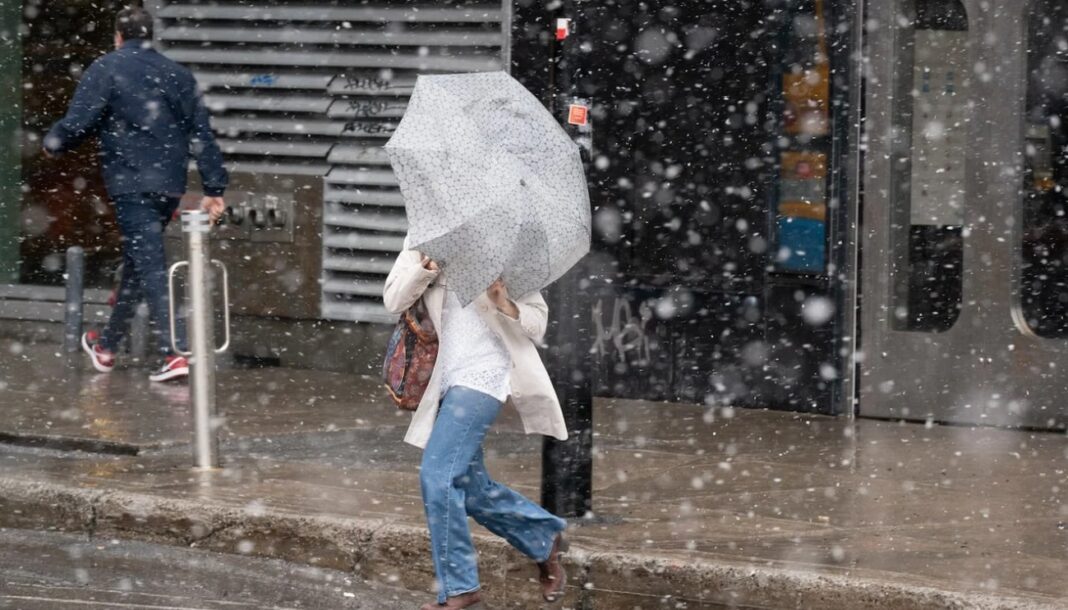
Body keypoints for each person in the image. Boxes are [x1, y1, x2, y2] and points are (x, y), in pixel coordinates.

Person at [43, 6, 227, 382]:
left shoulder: (107, 68)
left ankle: (174, 352)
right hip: (169, 185)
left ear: (118, 35)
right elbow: (202, 135)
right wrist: (214, 188)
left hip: (131, 183)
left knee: (151, 266)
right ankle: (107, 346)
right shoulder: (178, 75)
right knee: (139, 263)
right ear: (150, 35)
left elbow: (80, 121)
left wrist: (53, 142)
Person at [383, 245, 570, 610]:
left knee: (437, 476)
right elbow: (393, 299)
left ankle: (460, 589)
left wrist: (504, 302)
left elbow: (537, 323)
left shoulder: (510, 248)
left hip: (485, 372)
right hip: (441, 378)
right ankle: (543, 536)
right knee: (470, 487)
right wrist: (426, 268)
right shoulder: (424, 238)